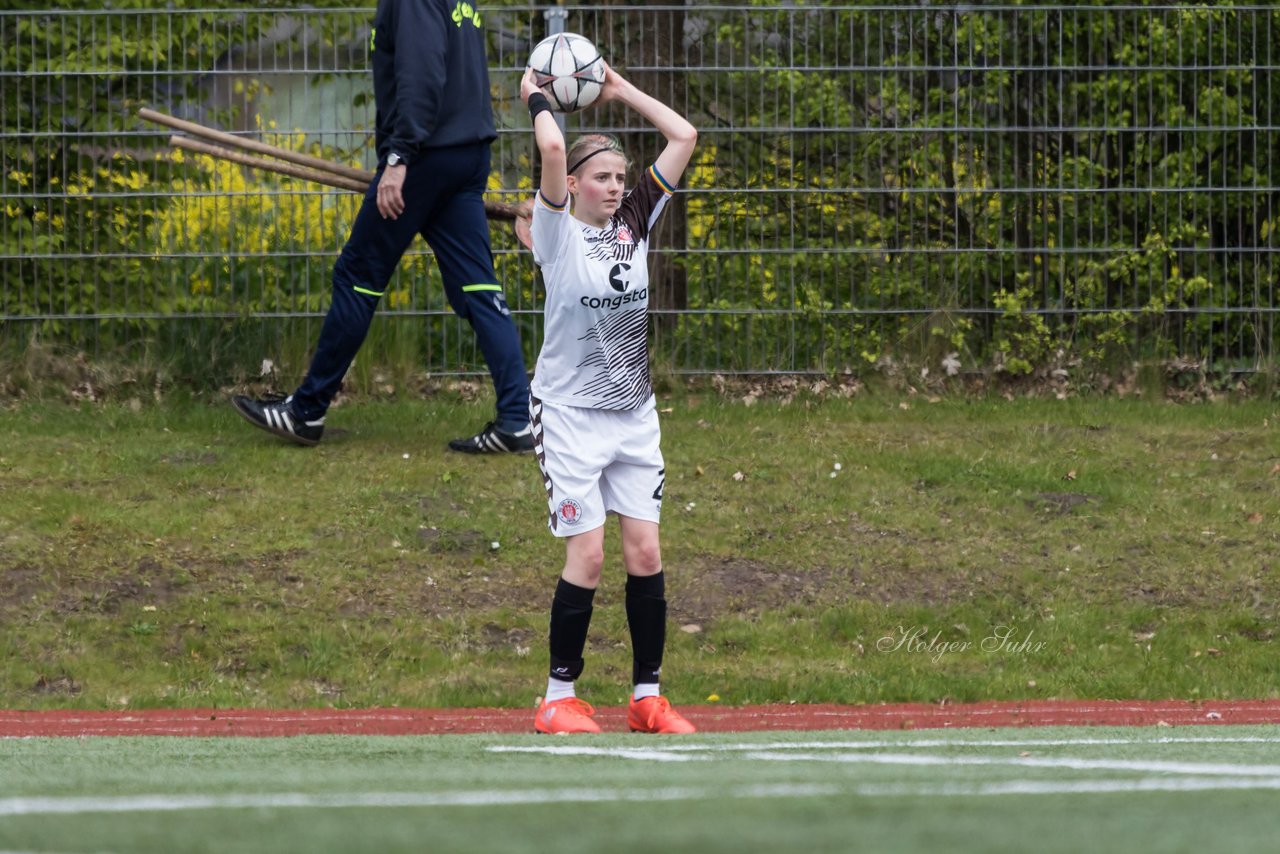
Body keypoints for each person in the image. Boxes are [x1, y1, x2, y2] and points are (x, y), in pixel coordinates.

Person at [232, 0, 533, 455]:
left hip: (425, 156)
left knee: (358, 275)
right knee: (478, 287)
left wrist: (398, 158)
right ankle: (517, 419)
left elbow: (422, 73)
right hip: (467, 150)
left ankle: (306, 411)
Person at [520, 63, 698, 734]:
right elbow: (555, 148)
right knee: (588, 556)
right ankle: (557, 698)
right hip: (567, 413)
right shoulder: (555, 231)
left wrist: (619, 90)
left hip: (632, 414)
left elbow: (683, 134)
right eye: (605, 177)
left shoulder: (634, 225)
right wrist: (535, 94)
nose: (617, 186)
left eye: (623, 179)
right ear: (570, 188)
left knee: (645, 554)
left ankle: (647, 697)